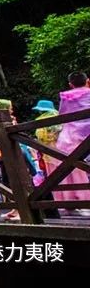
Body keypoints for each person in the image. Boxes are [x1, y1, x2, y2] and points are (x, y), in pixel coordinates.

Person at [54, 72, 90, 213]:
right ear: (87, 81)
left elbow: (62, 114)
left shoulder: (67, 96)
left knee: (80, 167)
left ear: (70, 84)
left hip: (73, 137)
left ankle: (82, 203)